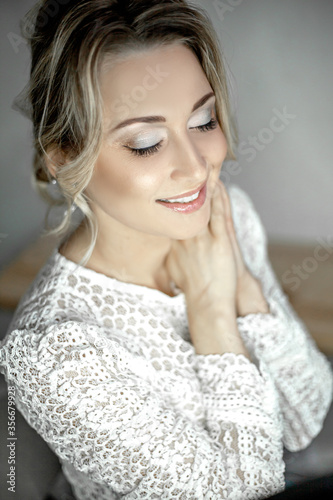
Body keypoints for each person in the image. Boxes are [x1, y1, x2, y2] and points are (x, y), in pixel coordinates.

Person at [0, 0, 332, 499]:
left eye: (203, 121)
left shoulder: (227, 214)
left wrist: (243, 284)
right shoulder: (53, 352)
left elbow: (307, 416)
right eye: (147, 142)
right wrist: (212, 312)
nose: (198, 168)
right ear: (65, 159)